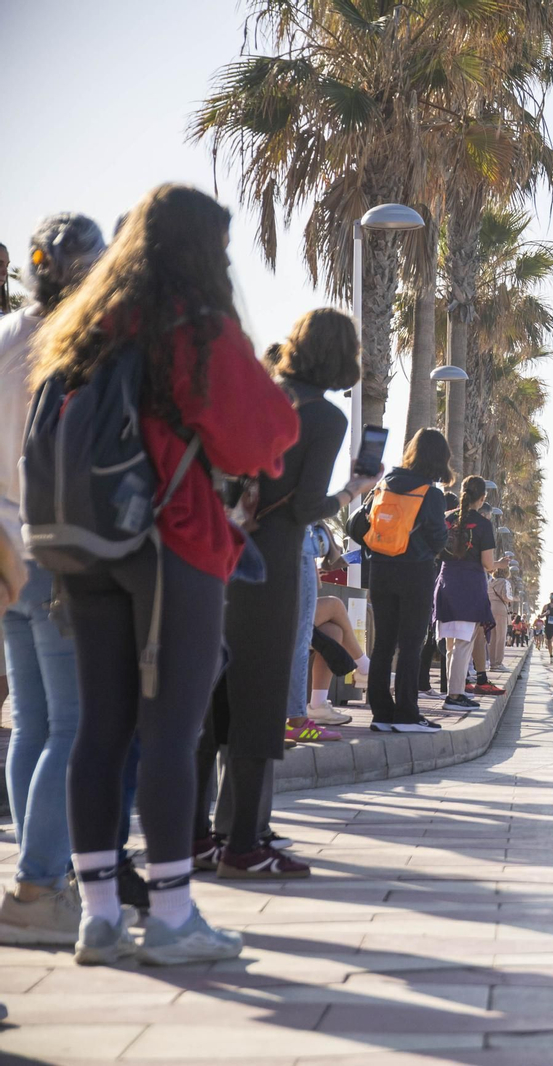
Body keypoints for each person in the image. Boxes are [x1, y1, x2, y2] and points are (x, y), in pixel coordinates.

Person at [30, 184, 300, 965]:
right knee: (172, 735)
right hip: (172, 541)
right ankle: (175, 917)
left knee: (100, 728)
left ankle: (100, 915)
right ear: (197, 249)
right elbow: (262, 436)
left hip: (84, 547)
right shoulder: (194, 325)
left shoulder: (88, 327)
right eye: (219, 246)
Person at [195, 309, 376, 881]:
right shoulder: (322, 416)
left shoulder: (256, 394)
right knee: (260, 701)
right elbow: (302, 508)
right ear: (343, 357)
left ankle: (196, 834)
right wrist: (353, 489)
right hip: (270, 564)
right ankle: (244, 842)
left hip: (212, 556)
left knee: (210, 701)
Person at [0, 212, 105, 946]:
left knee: (30, 719)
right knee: (71, 723)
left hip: (2, 545)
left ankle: (32, 879)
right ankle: (38, 885)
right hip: (50, 544)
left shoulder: (6, 334)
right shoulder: (78, 345)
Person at [348, 428, 450, 733]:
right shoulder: (431, 494)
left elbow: (356, 527)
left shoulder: (384, 485)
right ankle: (407, 714)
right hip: (414, 571)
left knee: (383, 644)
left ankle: (381, 713)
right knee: (410, 644)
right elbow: (437, 539)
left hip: (381, 570)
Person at [435, 476, 501, 711]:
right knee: (463, 643)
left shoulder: (446, 519)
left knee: (451, 644)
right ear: (482, 498)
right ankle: (455, 696)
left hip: (445, 583)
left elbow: (436, 549)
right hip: (469, 586)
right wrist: (498, 565)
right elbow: (487, 563)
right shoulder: (483, 524)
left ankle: (454, 693)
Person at [487, 565, 513, 671]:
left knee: (492, 637)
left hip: (490, 608)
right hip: (501, 609)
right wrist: (513, 599)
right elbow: (506, 597)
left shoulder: (490, 582)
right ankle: (498, 663)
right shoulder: (505, 582)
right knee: (501, 637)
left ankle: (492, 663)